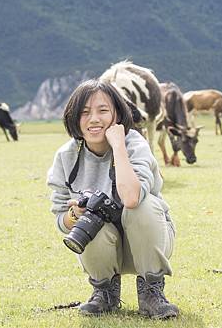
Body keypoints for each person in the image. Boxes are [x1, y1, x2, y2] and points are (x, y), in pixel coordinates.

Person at [47, 79, 178, 318]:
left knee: (142, 205)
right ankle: (104, 293)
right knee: (90, 219)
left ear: (117, 114)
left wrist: (118, 144)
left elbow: (131, 197)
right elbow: (59, 220)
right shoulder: (66, 156)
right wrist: (76, 215)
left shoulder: (134, 143)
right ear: (74, 118)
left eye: (103, 110)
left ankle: (151, 293)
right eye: (84, 112)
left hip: (148, 244)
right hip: (105, 250)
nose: (94, 119)